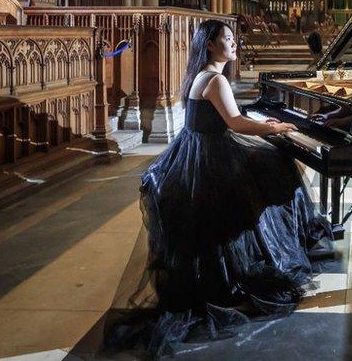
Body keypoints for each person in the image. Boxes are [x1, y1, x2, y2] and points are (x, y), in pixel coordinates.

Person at [106, 19, 333, 357]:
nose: (234, 44)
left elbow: (231, 119)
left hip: (195, 153)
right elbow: (236, 122)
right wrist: (275, 128)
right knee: (277, 166)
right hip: (211, 159)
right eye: (228, 39)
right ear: (210, 45)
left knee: (264, 166)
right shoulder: (215, 80)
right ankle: (286, 243)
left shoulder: (199, 76)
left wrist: (263, 124)